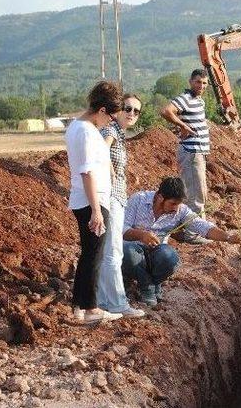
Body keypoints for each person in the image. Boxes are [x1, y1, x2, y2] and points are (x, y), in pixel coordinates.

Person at [122, 177, 241, 306]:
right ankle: (147, 287)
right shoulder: (138, 200)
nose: (176, 208)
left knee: (170, 258)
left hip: (156, 252)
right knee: (127, 252)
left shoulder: (181, 210)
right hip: (133, 248)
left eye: (179, 204)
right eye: (173, 203)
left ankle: (151, 284)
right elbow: (122, 228)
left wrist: (228, 237)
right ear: (160, 197)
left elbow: (203, 226)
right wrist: (141, 235)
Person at [65, 80, 123, 324]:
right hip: (92, 201)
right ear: (101, 110)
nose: (111, 121)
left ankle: (78, 307)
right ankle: (91, 309)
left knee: (89, 254)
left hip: (87, 200)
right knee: (94, 255)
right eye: (111, 116)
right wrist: (97, 211)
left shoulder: (77, 127)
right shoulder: (87, 132)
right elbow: (86, 172)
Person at [96, 93, 146, 318]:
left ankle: (104, 300)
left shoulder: (119, 133)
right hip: (110, 197)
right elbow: (102, 150)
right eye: (128, 108)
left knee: (108, 250)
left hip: (114, 196)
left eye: (136, 111)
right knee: (114, 251)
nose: (132, 114)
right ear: (117, 110)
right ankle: (118, 304)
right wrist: (113, 173)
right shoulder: (111, 130)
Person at [160, 69, 210, 218]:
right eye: (198, 82)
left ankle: (198, 228)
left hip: (198, 152)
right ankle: (193, 233)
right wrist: (183, 126)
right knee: (195, 194)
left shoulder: (199, 100)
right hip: (191, 152)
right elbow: (166, 111)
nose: (201, 86)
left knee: (200, 192)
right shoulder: (186, 98)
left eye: (204, 83)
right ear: (190, 82)